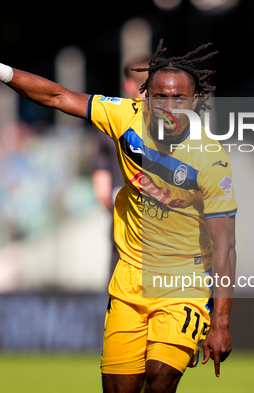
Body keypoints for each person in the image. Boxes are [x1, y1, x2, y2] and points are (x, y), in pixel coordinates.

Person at [0, 38, 237, 393]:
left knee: (161, 379)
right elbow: (57, 96)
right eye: (160, 97)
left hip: (185, 285)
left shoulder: (211, 158)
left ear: (194, 102)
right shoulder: (125, 116)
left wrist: (221, 323)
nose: (169, 106)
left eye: (179, 98)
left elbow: (225, 245)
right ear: (145, 96)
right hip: (129, 282)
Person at [92, 54, 151, 276]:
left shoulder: (111, 122)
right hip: (171, 240)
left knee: (121, 304)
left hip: (124, 234)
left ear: (128, 84)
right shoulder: (178, 124)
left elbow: (102, 188)